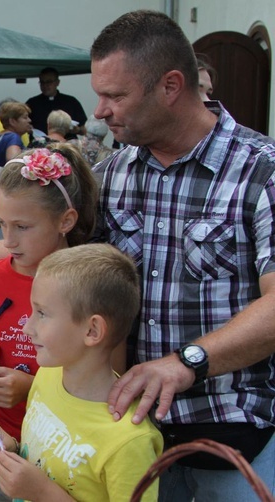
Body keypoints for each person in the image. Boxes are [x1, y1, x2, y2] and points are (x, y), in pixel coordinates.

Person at [91, 10, 275, 500]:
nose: (100, 111)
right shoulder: (114, 174)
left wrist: (186, 362)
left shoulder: (261, 171)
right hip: (133, 438)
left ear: (170, 85)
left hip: (233, 438)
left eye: (115, 95)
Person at [0, 144, 98, 502]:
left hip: (67, 449)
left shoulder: (89, 285)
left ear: (66, 221)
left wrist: (30, 387)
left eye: (23, 226)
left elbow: (106, 385)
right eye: (1, 224)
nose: (8, 240)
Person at [0, 244, 163, 501]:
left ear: (92, 331)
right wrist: (11, 448)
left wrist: (44, 493)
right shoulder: (47, 377)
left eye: (42, 313)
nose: (27, 328)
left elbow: (46, 486)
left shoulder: (130, 442)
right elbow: (51, 462)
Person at [26, 67, 87, 137]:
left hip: (66, 145)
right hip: (38, 145)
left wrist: (78, 130)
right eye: (42, 82)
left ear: (57, 82)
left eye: (49, 82)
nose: (45, 85)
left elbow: (85, 129)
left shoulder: (71, 102)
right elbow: (20, 124)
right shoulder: (32, 103)